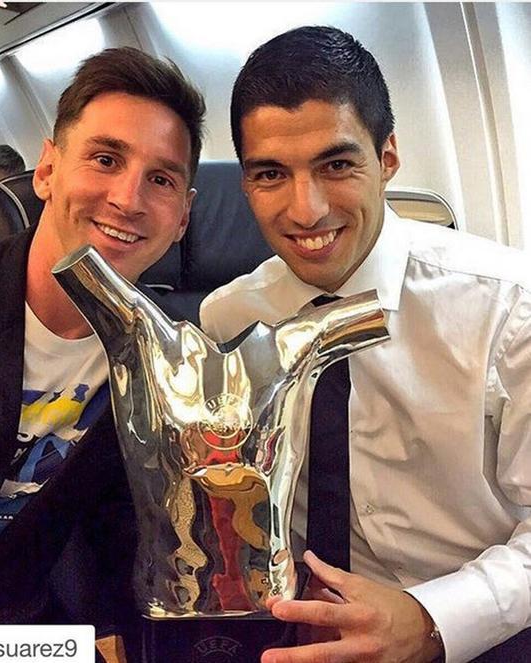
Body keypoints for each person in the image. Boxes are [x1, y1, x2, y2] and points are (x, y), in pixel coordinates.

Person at [200, 26, 530, 663]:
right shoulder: (229, 317)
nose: (306, 210)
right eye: (271, 174)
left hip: (477, 630)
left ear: (389, 158)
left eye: (337, 164)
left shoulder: (506, 307)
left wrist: (432, 621)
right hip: (292, 623)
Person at [0, 46, 205, 663]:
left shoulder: (168, 359)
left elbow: (121, 539)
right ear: (47, 171)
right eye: (105, 159)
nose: (128, 199)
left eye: (161, 179)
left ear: (182, 215)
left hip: (26, 638)